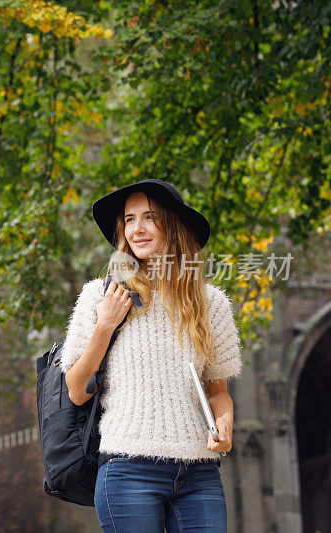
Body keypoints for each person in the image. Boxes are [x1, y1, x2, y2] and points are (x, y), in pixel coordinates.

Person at [59, 179, 242, 532]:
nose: (137, 229)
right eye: (129, 220)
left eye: (149, 218)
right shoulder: (100, 296)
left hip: (199, 475)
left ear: (173, 225)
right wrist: (105, 325)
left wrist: (225, 425)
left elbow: (217, 392)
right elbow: (77, 390)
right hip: (127, 472)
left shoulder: (210, 303)